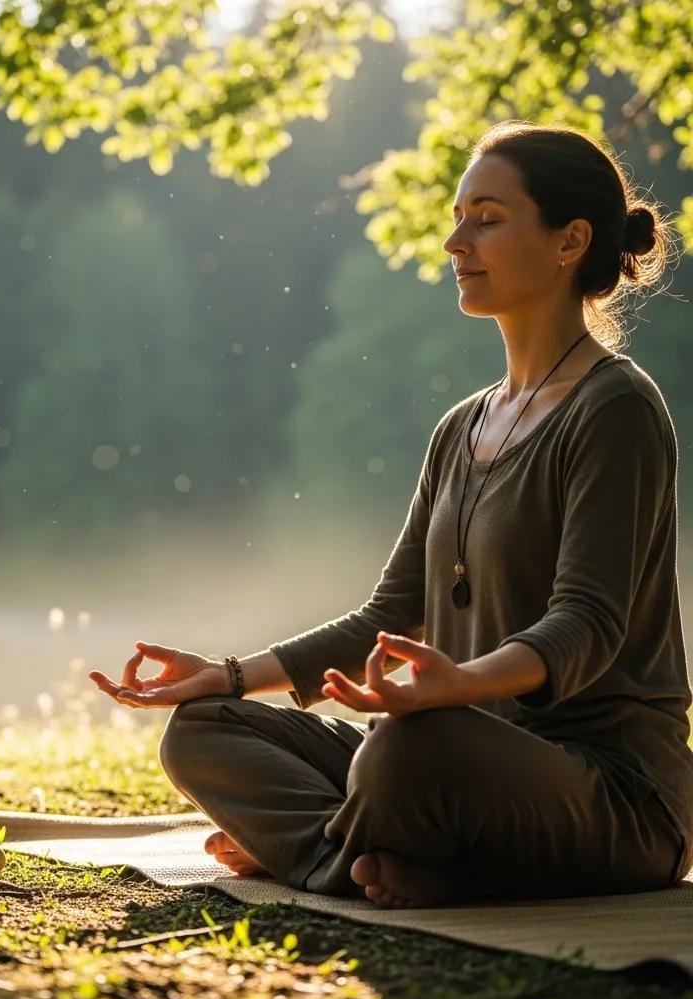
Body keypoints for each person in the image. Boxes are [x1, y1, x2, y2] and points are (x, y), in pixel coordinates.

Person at [89, 120, 693, 909]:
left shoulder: (617, 409)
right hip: (453, 754)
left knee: (401, 753)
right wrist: (229, 674)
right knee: (205, 730)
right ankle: (377, 859)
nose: (454, 242)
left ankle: (330, 854)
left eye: (487, 217)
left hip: (612, 797)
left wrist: (456, 685)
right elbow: (388, 611)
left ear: (569, 240)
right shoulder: (463, 427)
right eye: (457, 216)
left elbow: (586, 623)